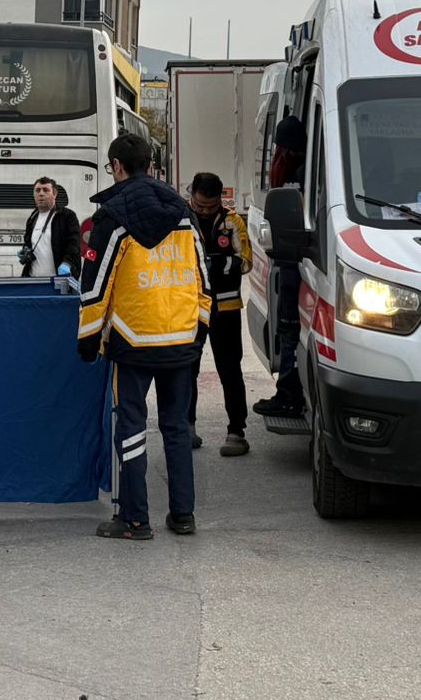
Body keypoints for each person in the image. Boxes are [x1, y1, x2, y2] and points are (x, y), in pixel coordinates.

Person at [79, 132, 210, 540]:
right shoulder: (185, 214)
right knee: (176, 428)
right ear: (151, 166)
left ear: (117, 166)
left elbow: (96, 286)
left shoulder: (112, 218)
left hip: (133, 340)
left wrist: (87, 340)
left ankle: (135, 519)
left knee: (131, 426)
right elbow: (203, 278)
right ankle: (183, 515)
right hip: (181, 338)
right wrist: (199, 328)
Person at [188, 172, 253, 457]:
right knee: (187, 369)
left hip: (225, 308)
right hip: (190, 307)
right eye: (199, 205)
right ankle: (186, 426)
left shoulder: (233, 221)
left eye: (210, 207)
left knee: (229, 369)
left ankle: (236, 431)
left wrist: (214, 264)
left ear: (219, 202)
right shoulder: (180, 221)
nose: (203, 211)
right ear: (191, 196)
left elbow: (246, 260)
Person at [254, 108, 309, 423]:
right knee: (288, 330)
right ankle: (287, 392)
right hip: (290, 262)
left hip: (293, 264)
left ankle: (289, 396)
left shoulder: (295, 173)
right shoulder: (297, 170)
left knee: (289, 330)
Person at [21, 176, 82, 279]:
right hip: (33, 280)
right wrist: (24, 251)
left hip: (58, 281)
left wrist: (67, 264)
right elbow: (28, 243)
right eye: (37, 190)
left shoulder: (67, 216)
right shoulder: (32, 218)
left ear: (55, 194)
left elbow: (74, 245)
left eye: (46, 190)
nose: (41, 193)